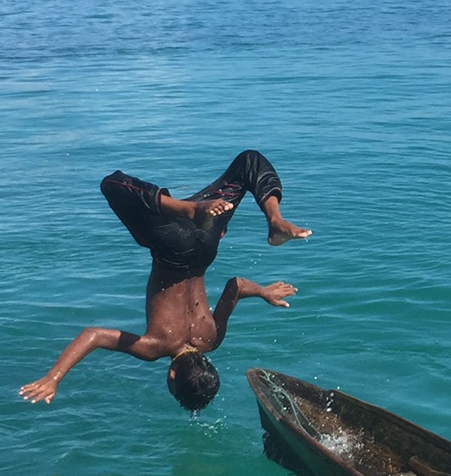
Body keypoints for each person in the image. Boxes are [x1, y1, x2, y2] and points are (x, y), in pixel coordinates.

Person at [18, 150, 310, 411]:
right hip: (172, 245)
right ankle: (187, 209)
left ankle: (273, 220)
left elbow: (235, 285)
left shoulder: (212, 340)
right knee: (112, 185)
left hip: (206, 242)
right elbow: (92, 335)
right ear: (172, 377)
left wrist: (263, 292)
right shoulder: (154, 346)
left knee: (250, 162)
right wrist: (53, 378)